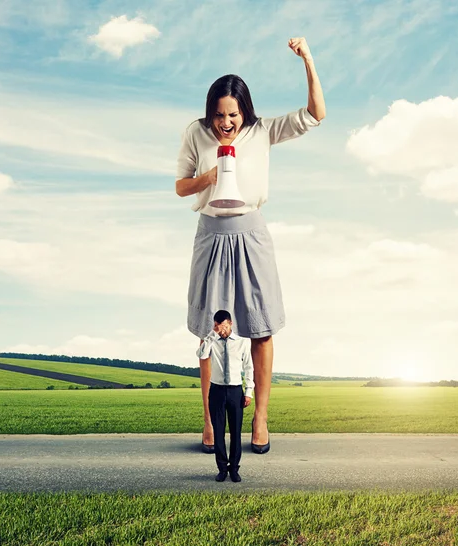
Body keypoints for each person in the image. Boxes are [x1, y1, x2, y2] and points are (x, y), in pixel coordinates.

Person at [176, 37, 326, 455]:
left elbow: (317, 114)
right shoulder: (195, 133)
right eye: (220, 115)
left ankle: (260, 418)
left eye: (233, 114)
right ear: (210, 113)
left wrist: (308, 60)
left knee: (259, 328)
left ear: (245, 111)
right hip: (211, 234)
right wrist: (207, 178)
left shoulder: (263, 131)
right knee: (210, 330)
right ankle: (209, 421)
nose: (226, 123)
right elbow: (179, 186)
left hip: (252, 234)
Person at [196, 310, 253, 482]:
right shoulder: (213, 341)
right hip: (217, 391)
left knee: (236, 433)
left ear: (230, 324)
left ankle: (234, 469)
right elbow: (201, 355)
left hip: (236, 391)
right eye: (217, 327)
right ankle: (222, 469)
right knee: (218, 432)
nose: (221, 330)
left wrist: (248, 391)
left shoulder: (242, 342)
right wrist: (212, 335)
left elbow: (249, 367)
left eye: (223, 327)